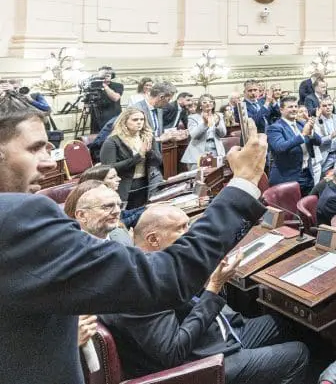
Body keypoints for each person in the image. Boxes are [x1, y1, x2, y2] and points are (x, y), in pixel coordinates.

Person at [0, 95, 269, 383]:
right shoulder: (16, 217)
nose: (49, 163)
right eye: (35, 148)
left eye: (48, 148)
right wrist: (242, 184)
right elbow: (164, 278)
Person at [100, 205, 309, 384]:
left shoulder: (160, 263)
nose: (191, 233)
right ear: (154, 239)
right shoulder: (141, 288)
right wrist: (214, 287)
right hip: (202, 360)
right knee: (298, 353)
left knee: (281, 323)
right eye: (182, 228)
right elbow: (174, 352)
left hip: (215, 337)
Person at [99, 106, 163, 211]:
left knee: (142, 215)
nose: (139, 122)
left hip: (145, 183)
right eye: (135, 120)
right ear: (124, 121)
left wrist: (149, 152)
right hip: (123, 186)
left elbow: (158, 161)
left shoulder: (148, 137)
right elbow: (108, 168)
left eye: (142, 119)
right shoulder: (113, 141)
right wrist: (138, 156)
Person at [266, 96, 322, 197]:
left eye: (295, 106)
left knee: (307, 206)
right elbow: (280, 147)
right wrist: (303, 135)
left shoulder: (301, 123)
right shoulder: (275, 128)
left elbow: (319, 142)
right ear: (281, 110)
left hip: (307, 174)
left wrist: (311, 133)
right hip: (287, 177)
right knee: (291, 211)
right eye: (290, 107)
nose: (294, 109)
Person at [181, 94, 227, 170]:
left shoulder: (219, 116)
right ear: (200, 106)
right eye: (204, 102)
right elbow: (194, 135)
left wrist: (218, 124)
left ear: (213, 104)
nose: (208, 104)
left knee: (214, 176)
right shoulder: (193, 118)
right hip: (199, 152)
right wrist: (205, 124)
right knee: (201, 177)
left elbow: (223, 134)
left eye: (210, 102)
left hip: (216, 151)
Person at [88, 66, 125, 132]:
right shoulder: (93, 86)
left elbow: (115, 98)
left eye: (107, 76)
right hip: (97, 119)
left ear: (112, 76)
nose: (104, 78)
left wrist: (104, 85)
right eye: (102, 76)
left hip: (112, 118)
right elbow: (88, 100)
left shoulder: (118, 86)